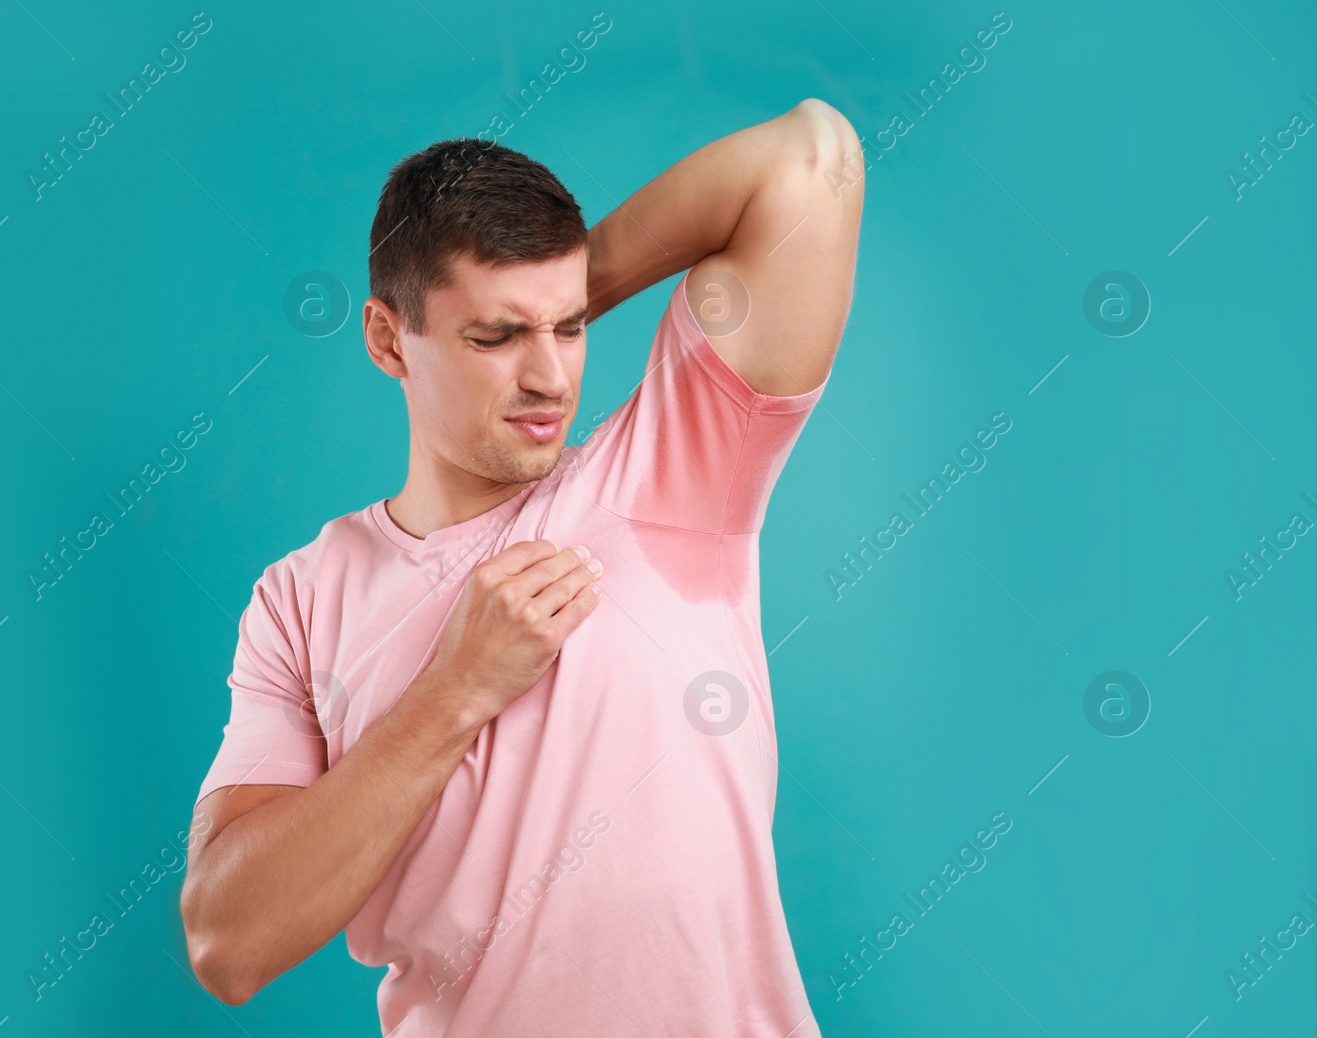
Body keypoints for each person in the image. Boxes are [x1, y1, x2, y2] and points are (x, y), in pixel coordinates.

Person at [181, 98, 864, 1037]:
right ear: (388, 339)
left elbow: (812, 155)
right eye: (496, 337)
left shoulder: (675, 473)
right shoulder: (300, 598)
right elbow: (228, 939)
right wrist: (455, 688)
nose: (550, 379)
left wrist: (564, 291)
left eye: (571, 329)